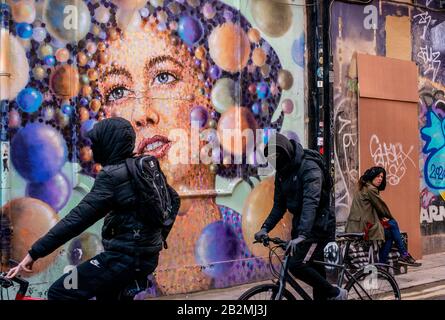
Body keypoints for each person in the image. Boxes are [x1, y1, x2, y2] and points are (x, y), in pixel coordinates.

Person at [6, 117, 180, 300]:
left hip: (122, 260)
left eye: (96, 143)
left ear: (108, 143)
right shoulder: (140, 167)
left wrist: (34, 253)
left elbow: (76, 220)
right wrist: (157, 240)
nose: (93, 149)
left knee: (59, 292)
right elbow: (174, 200)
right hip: (145, 258)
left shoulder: (113, 176)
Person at [254, 133, 347, 300]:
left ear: (287, 153)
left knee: (296, 265)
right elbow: (279, 206)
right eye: (272, 159)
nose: (276, 162)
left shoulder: (310, 168)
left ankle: (336, 293)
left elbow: (311, 203)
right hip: (303, 227)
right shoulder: (282, 173)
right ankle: (327, 296)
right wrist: (265, 228)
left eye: (278, 157)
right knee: (314, 270)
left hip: (319, 227)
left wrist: (302, 235)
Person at [345, 166, 421, 266]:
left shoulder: (363, 187)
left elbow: (370, 209)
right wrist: (389, 218)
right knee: (393, 224)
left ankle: (382, 265)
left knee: (389, 234)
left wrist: (382, 218)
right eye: (378, 176)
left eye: (382, 176)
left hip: (356, 225)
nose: (380, 178)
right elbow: (382, 208)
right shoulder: (371, 189)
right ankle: (403, 254)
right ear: (372, 176)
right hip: (362, 228)